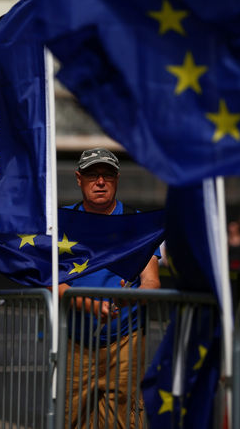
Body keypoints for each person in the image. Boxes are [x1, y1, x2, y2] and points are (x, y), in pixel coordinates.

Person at [59, 148, 161, 429]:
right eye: (92, 174)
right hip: (75, 344)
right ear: (79, 179)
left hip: (126, 342)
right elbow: (49, 282)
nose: (100, 181)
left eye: (107, 175)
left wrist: (131, 298)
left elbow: (152, 282)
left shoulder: (137, 223)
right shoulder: (61, 222)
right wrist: (87, 304)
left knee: (126, 423)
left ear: (117, 179)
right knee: (71, 421)